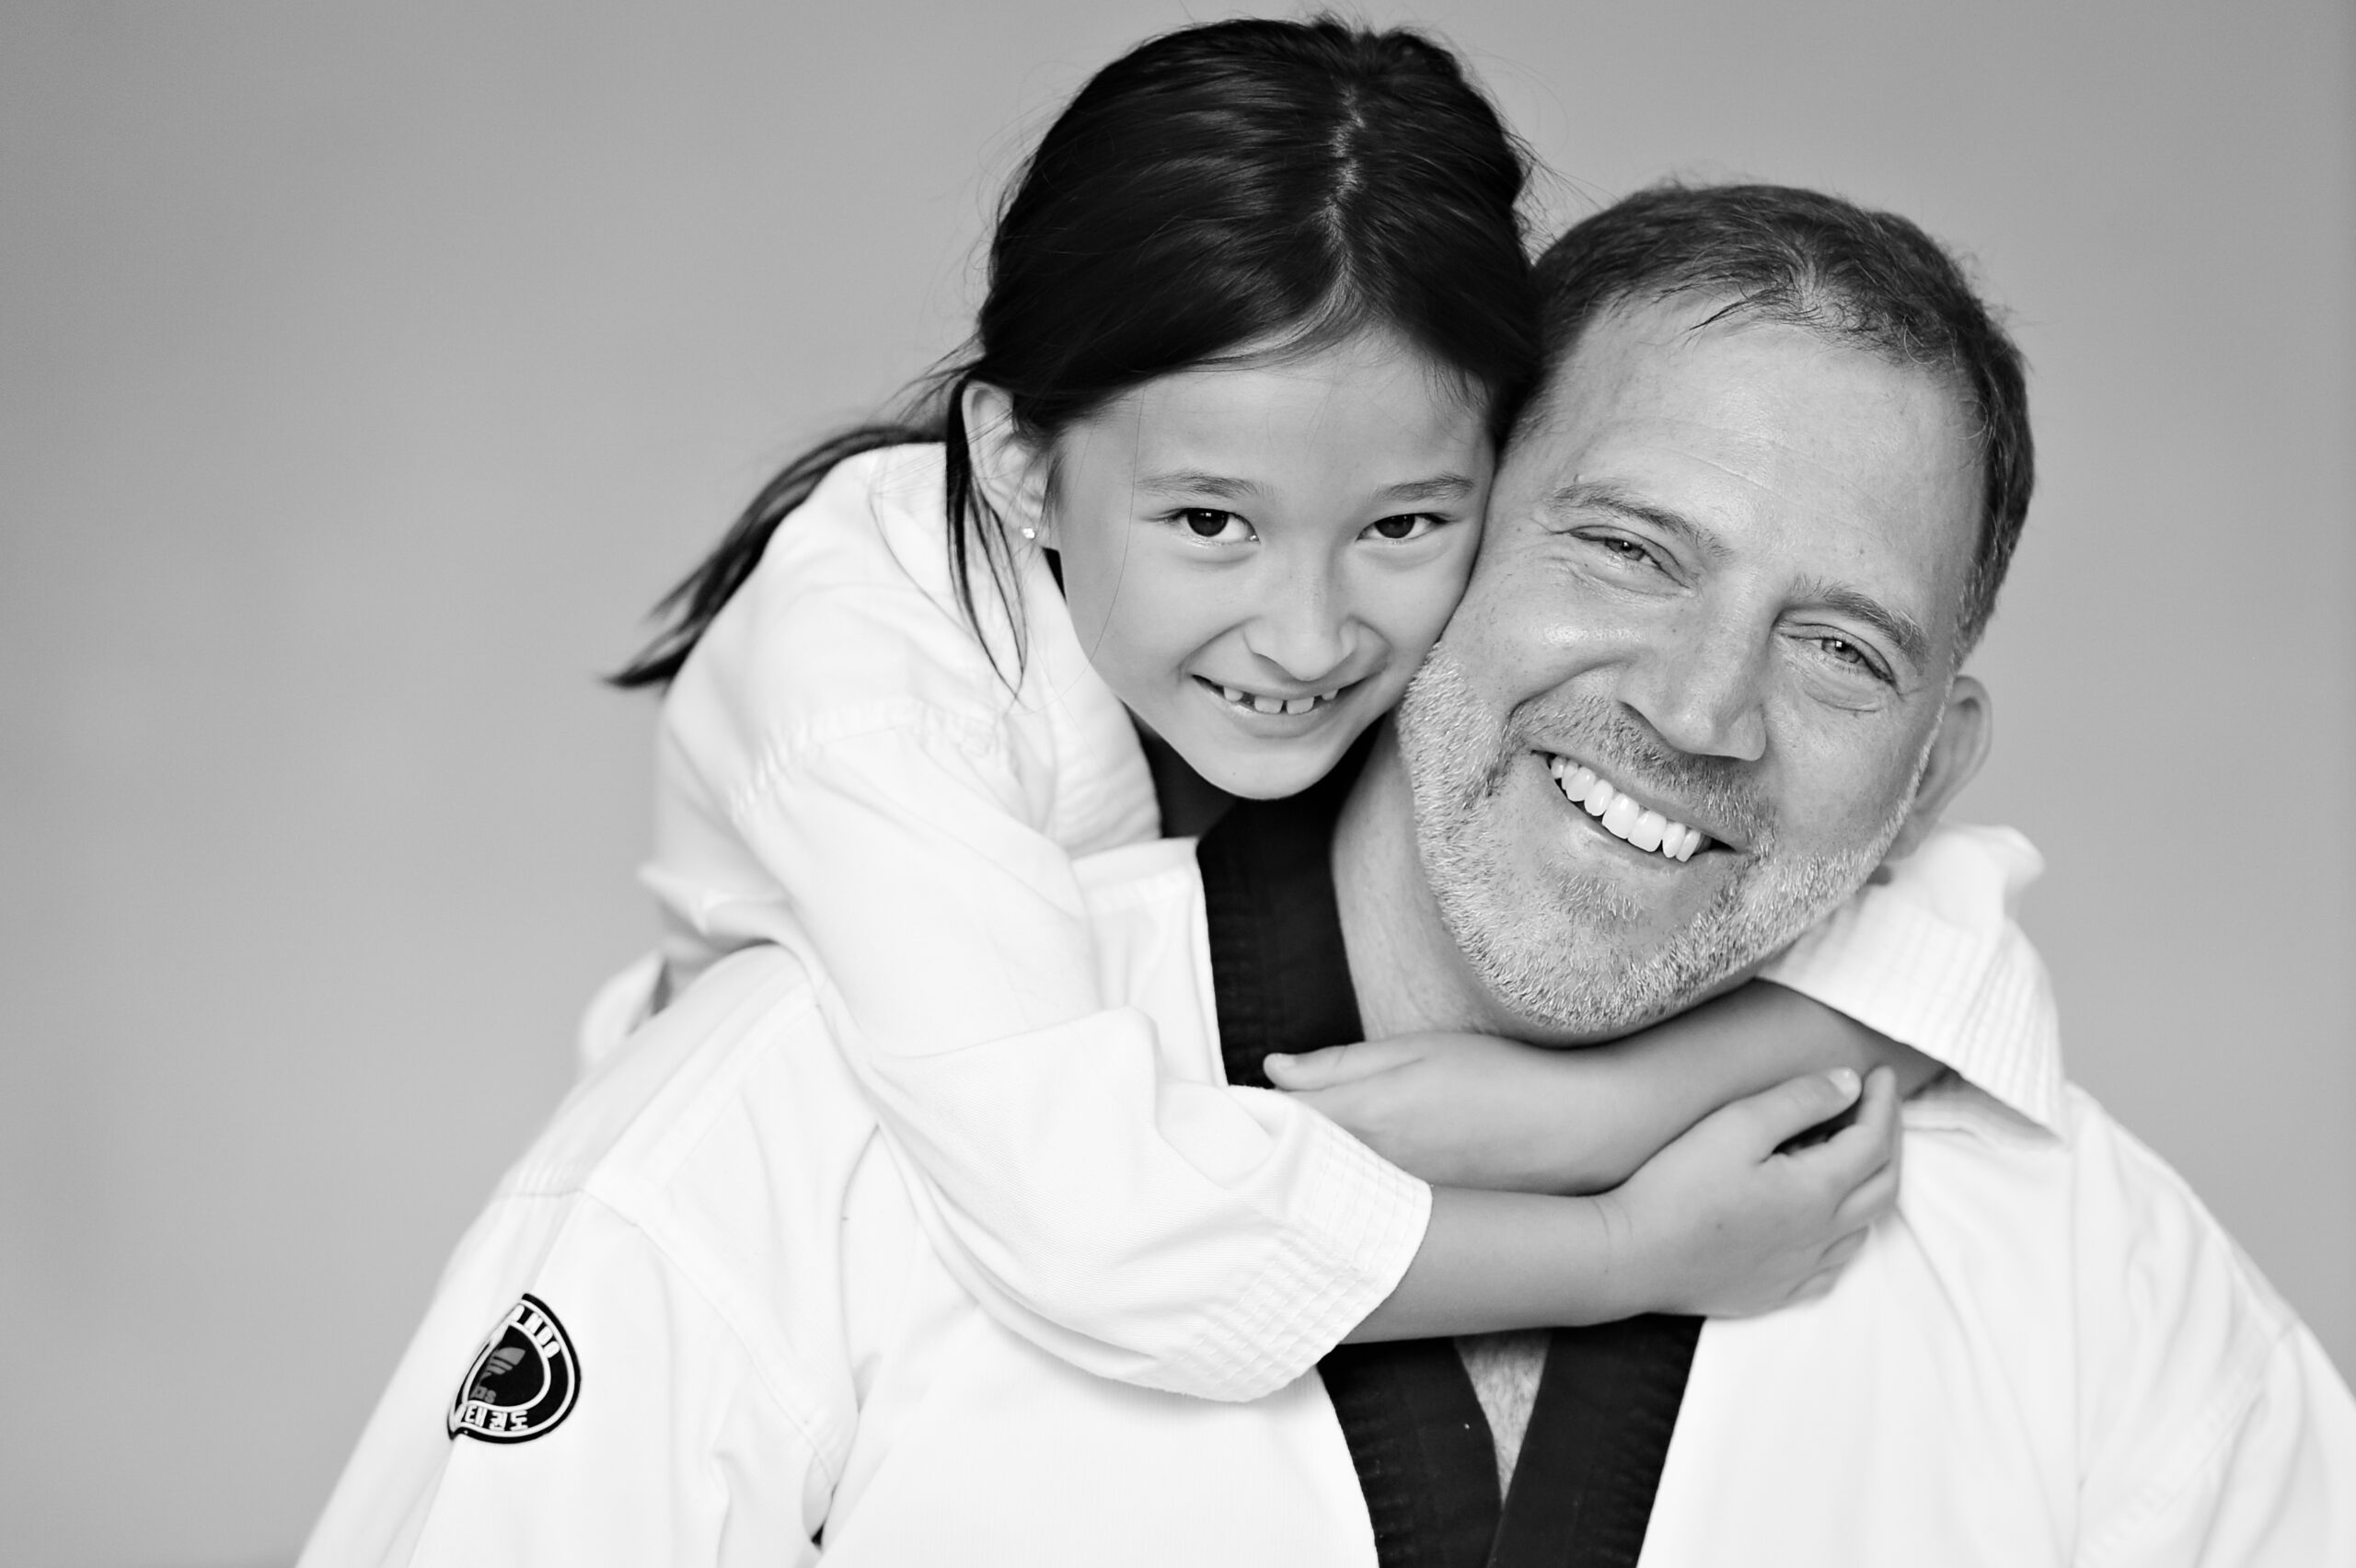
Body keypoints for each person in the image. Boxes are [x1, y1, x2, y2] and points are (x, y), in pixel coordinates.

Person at [300, 179, 2356, 1565]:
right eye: (1624, 549)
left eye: (1840, 650)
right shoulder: (813, 1112)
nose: (1703, 707)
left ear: (1931, 765)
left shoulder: (2097, 1282)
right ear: (1434, 535)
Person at [588, 10, 1973, 1405]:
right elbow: (1096, 1229)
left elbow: (1951, 951)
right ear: (1015, 460)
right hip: (766, 1262)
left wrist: (1594, 1110)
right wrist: (1624, 1246)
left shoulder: (1481, 646)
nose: (1312, 636)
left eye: (1405, 523)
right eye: (1208, 520)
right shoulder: (867, 691)